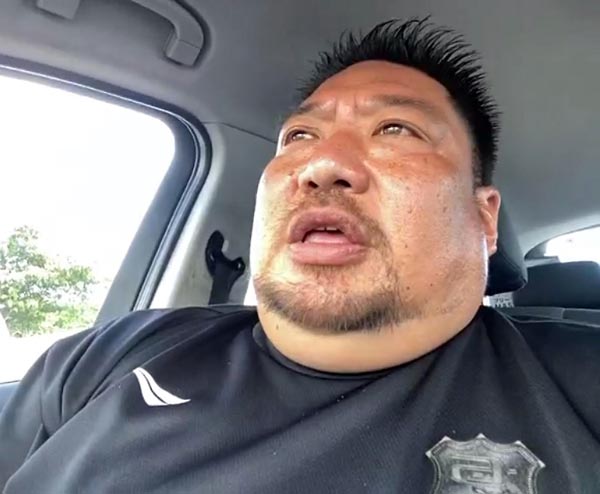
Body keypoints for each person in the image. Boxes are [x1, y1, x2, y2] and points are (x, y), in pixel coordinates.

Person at [1, 18, 599, 494]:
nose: (322, 164)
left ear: (484, 217)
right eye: (299, 137)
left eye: (396, 129)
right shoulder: (103, 357)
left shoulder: (579, 382)